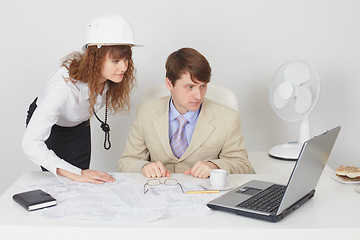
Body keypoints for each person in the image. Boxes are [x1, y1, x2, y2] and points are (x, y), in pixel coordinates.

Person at [22, 14, 140, 183]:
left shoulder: (110, 77)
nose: (124, 67)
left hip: (78, 125)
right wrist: (74, 173)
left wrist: (80, 174)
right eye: (115, 60)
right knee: (62, 180)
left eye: (126, 59)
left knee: (84, 181)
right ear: (95, 59)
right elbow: (30, 142)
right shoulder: (61, 89)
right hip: (53, 127)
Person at [118, 48, 253, 178]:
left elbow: (244, 166)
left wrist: (215, 166)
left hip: (204, 194)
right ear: (169, 84)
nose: (198, 96)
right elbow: (127, 161)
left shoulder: (228, 118)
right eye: (190, 87)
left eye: (203, 86)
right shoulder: (146, 111)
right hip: (158, 191)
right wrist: (143, 167)